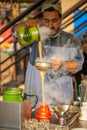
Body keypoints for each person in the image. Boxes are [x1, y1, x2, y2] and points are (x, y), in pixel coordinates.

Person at [14, 2, 84, 109]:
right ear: (42, 20)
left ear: (60, 19)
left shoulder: (71, 40)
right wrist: (26, 24)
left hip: (60, 102)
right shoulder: (35, 36)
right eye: (47, 21)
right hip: (35, 99)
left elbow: (78, 64)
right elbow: (14, 31)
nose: (51, 25)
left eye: (54, 20)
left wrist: (62, 64)